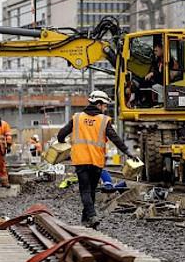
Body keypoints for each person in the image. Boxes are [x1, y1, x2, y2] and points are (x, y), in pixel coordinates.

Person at [57, 90, 137, 227]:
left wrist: (63, 143)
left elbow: (61, 134)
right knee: (91, 190)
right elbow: (115, 138)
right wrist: (127, 152)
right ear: (99, 104)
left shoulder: (77, 118)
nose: (105, 108)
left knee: (85, 190)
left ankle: (90, 216)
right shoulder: (103, 121)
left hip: (81, 160)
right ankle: (87, 218)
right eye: (104, 105)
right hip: (96, 161)